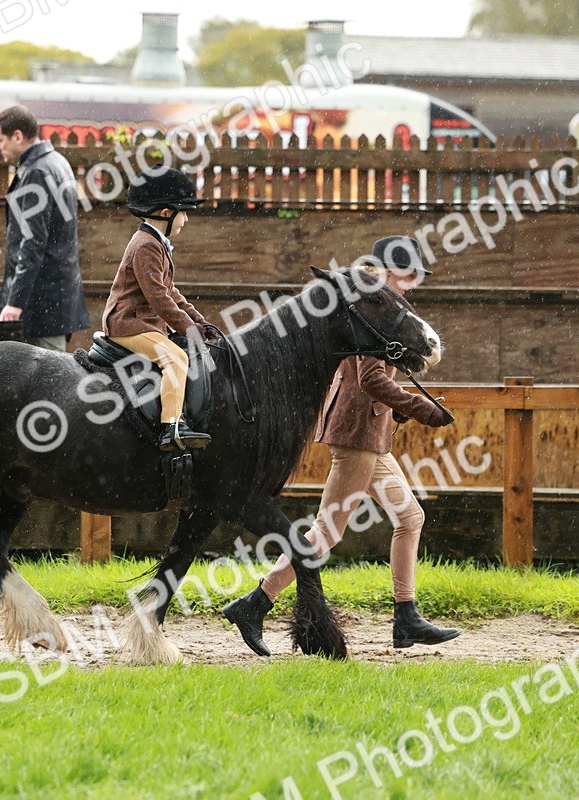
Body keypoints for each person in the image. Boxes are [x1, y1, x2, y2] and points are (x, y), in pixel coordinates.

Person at [223, 236, 460, 655]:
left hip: (370, 435)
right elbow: (370, 379)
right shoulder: (373, 307)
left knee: (409, 516)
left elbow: (366, 383)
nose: (414, 283)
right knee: (328, 531)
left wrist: (400, 412)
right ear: (389, 271)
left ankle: (406, 616)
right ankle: (255, 603)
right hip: (357, 437)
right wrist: (421, 409)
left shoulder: (379, 306)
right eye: (409, 274)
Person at [101, 168, 212, 451]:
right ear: (165, 213)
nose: (185, 220)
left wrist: (199, 321)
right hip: (127, 323)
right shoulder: (145, 246)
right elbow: (159, 298)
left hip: (142, 322)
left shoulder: (156, 243)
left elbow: (171, 291)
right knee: (174, 357)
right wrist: (188, 328)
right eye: (183, 213)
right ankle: (172, 427)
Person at [0, 105, 90, 351]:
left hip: (39, 304)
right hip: (54, 300)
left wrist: (14, 303)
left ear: (17, 136)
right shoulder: (57, 162)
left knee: (49, 384)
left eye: (0, 140)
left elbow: (33, 242)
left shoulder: (36, 172)